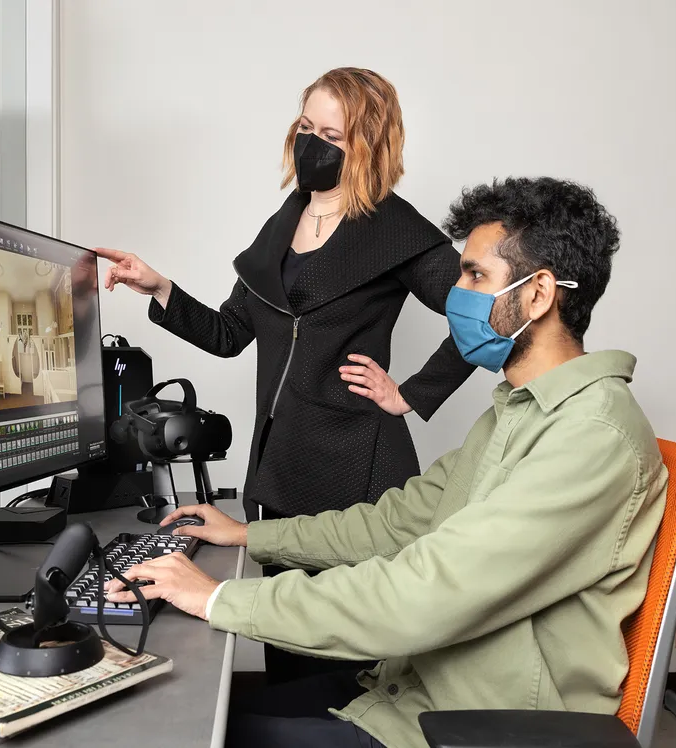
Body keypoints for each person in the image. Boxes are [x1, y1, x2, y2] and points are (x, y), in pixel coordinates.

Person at [105, 177, 669, 748]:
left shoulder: (590, 438)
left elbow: (423, 593)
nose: (456, 294)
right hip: (412, 688)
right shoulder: (517, 415)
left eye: (474, 276)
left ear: (539, 294)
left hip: (480, 723)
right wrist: (251, 534)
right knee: (205, 712)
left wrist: (216, 597)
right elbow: (393, 523)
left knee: (187, 732)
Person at [94, 67, 475, 682]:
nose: (312, 143)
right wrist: (158, 285)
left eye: (333, 133)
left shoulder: (398, 231)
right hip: (279, 472)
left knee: (353, 666)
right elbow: (228, 334)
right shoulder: (284, 222)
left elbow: (482, 314)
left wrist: (409, 394)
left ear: (370, 146)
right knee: (288, 651)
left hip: (360, 473)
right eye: (306, 126)